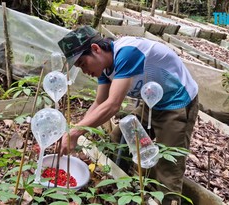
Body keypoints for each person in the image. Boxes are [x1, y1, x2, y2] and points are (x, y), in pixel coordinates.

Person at [57, 25, 199, 205]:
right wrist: (73, 131)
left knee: (168, 168)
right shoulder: (106, 68)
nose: (84, 71)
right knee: (118, 139)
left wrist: (75, 133)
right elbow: (100, 102)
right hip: (152, 102)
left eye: (82, 64)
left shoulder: (127, 53)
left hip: (177, 102)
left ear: (95, 49)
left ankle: (169, 200)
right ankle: (124, 188)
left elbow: (113, 105)